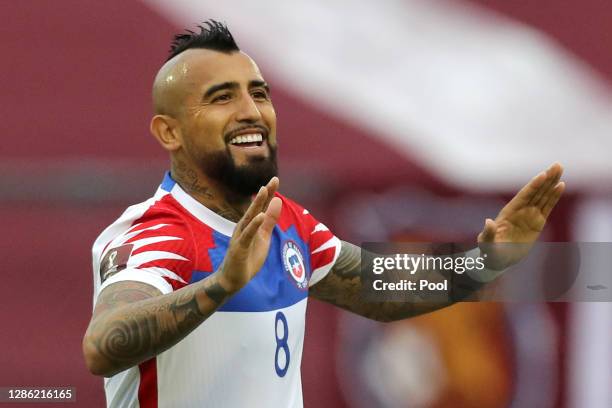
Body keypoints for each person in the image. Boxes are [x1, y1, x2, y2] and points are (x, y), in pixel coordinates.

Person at [82, 20, 565, 408]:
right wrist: (219, 287)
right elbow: (104, 344)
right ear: (170, 132)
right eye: (222, 97)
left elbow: (378, 286)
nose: (252, 111)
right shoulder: (156, 234)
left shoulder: (285, 220)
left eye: (259, 92)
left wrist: (484, 263)